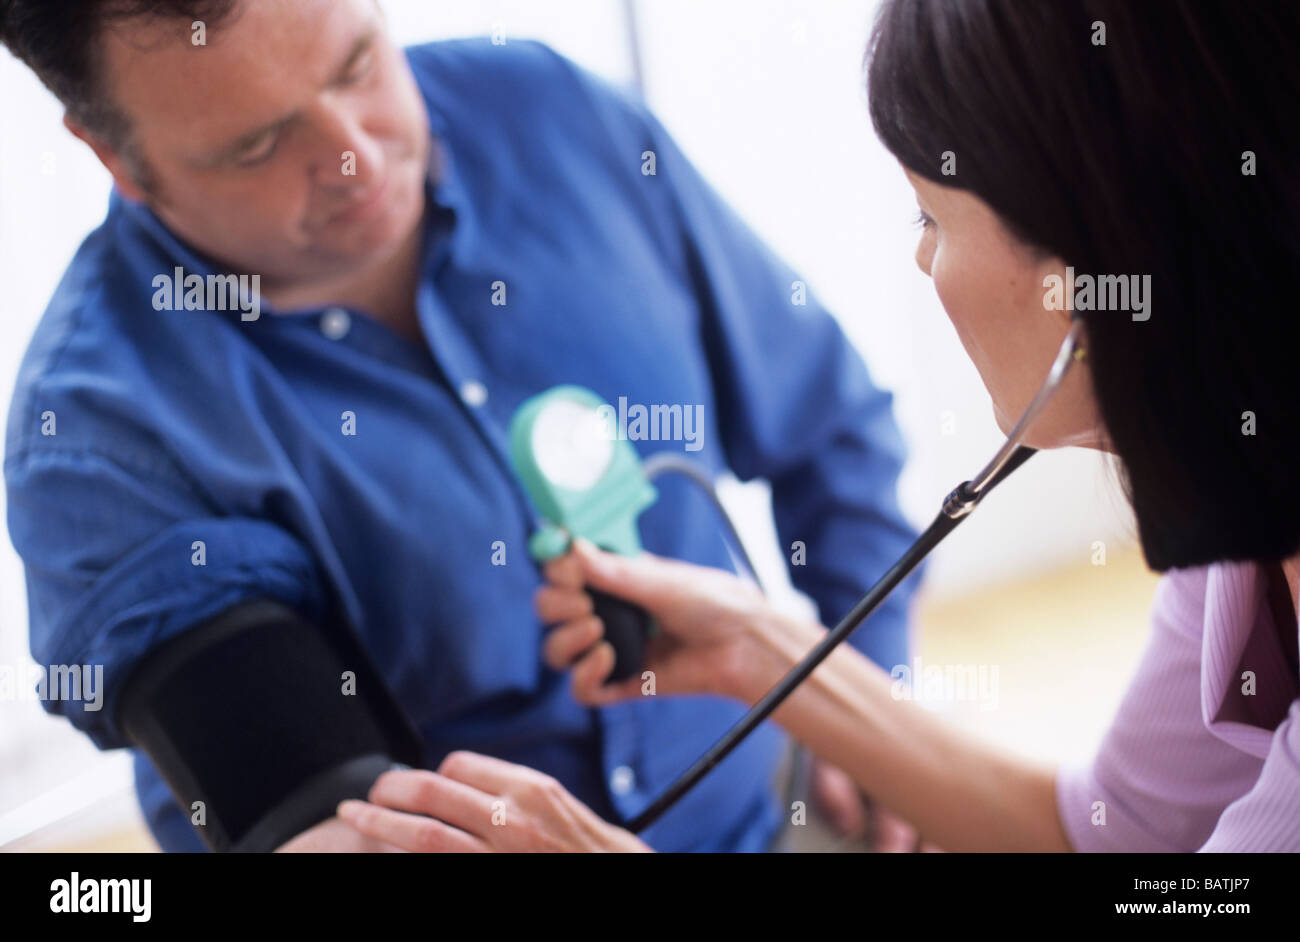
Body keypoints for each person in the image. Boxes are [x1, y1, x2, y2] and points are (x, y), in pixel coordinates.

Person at [334, 0, 1300, 852]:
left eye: (931, 215)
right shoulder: (1238, 538)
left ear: (1086, 270)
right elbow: (1110, 836)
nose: (924, 262)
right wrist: (764, 648)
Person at [0, 0, 922, 851]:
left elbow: (831, 430)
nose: (356, 155)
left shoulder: (556, 116)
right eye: (259, 144)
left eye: (357, 63)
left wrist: (866, 708)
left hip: (791, 809)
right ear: (115, 159)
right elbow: (324, 814)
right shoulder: (97, 441)